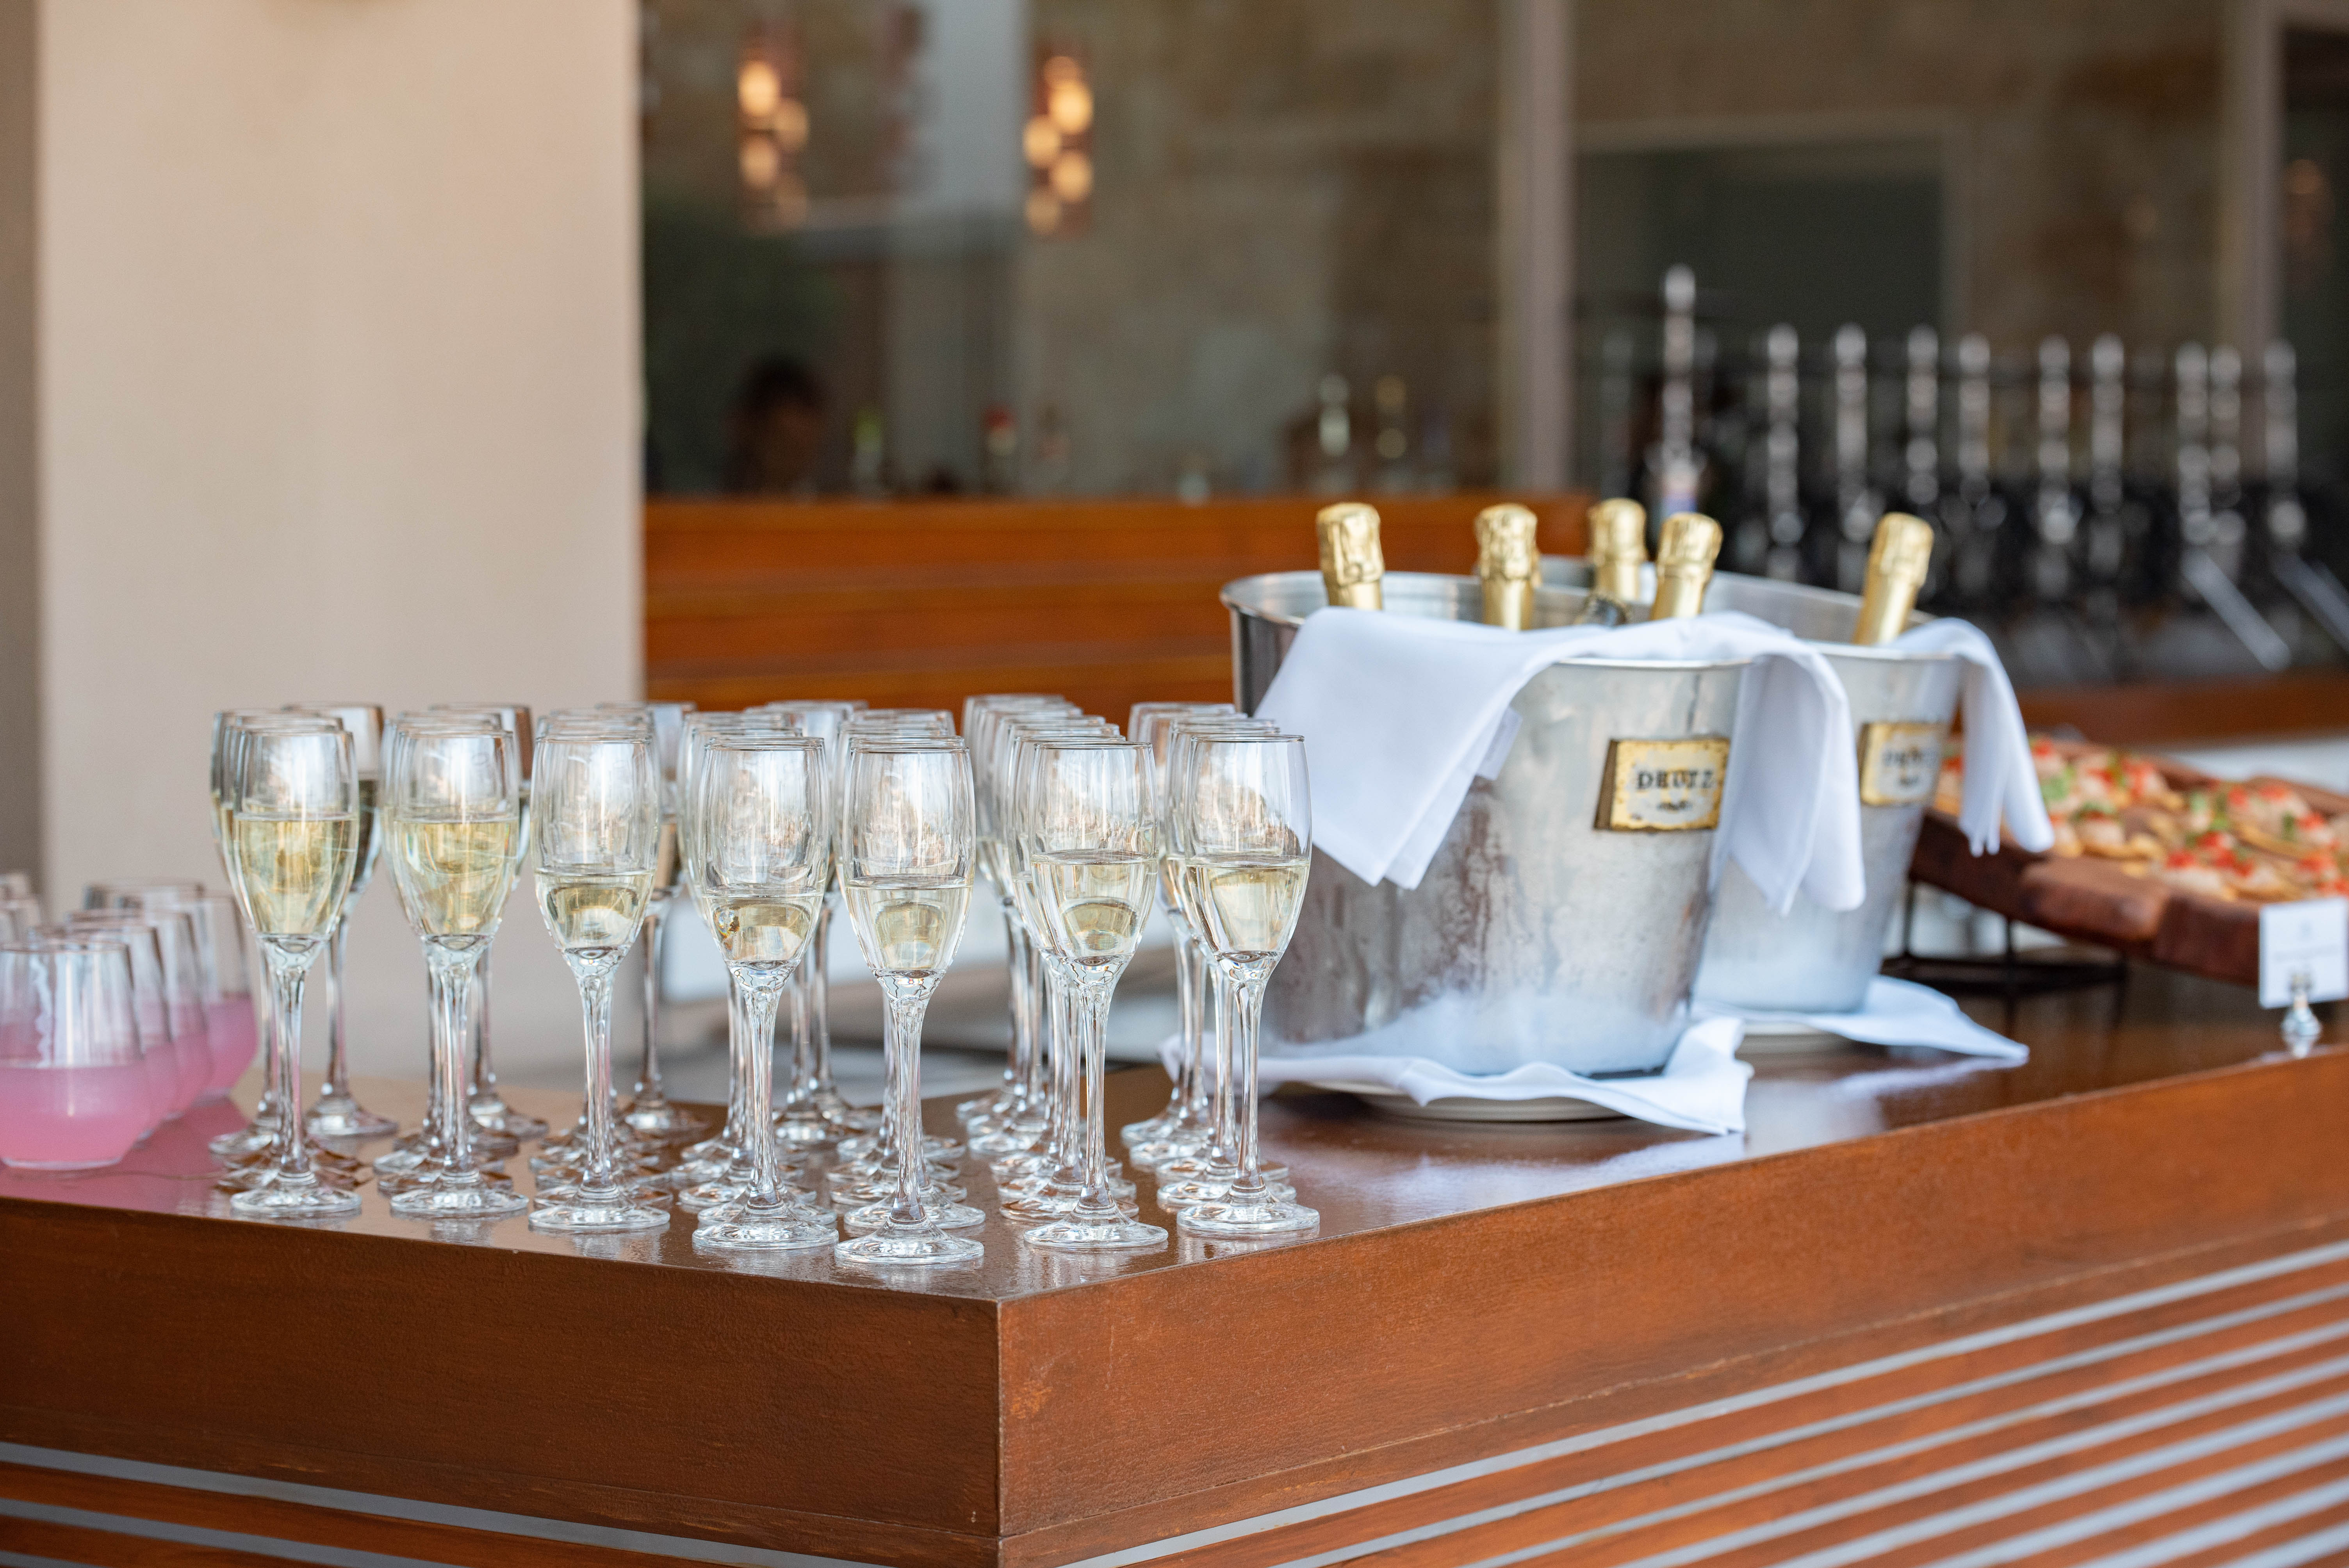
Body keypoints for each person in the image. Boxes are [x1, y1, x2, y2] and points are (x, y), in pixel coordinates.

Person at [723, 355, 827, 495]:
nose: (790, 462)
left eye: (799, 450)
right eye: (782, 443)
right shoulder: (705, 507)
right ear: (746, 428)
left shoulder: (826, 510)